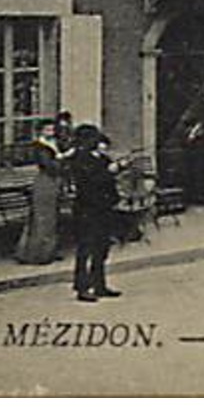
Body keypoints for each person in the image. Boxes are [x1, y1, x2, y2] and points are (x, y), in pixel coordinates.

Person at [66, 123, 122, 302]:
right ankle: (82, 287)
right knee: (86, 248)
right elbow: (91, 181)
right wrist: (109, 171)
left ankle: (99, 285)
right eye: (93, 139)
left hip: (103, 208)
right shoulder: (80, 159)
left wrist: (119, 167)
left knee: (101, 248)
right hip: (87, 209)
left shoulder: (99, 157)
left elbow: (108, 173)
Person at [14, 118, 66, 264]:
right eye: (47, 130)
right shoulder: (40, 147)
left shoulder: (54, 144)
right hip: (45, 181)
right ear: (41, 131)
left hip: (54, 181)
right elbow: (48, 166)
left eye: (52, 129)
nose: (51, 132)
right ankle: (37, 254)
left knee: (52, 217)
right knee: (43, 217)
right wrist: (62, 158)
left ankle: (49, 250)